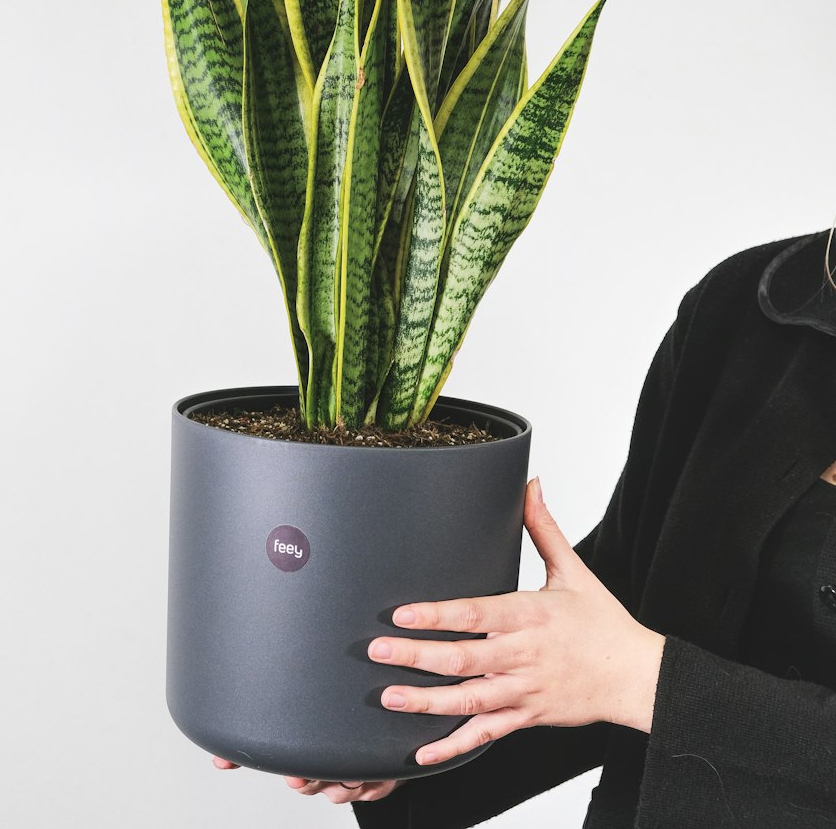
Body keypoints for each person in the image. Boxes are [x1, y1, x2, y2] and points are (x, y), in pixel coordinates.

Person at [213, 226, 836, 827]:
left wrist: (646, 679)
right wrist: (417, 735)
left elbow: (629, 667)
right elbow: (628, 615)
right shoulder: (747, 308)